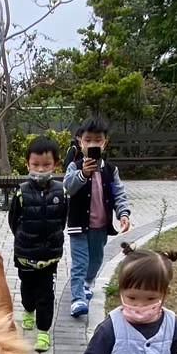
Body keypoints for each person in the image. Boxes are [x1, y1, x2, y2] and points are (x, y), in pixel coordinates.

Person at [63, 115, 132, 317]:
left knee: (96, 259)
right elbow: (68, 187)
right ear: (80, 142)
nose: (93, 144)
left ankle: (87, 283)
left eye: (98, 140)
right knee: (80, 263)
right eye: (88, 140)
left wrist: (123, 213)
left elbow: (119, 193)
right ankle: (77, 300)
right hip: (78, 226)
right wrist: (83, 174)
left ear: (105, 143)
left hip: (100, 226)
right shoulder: (75, 167)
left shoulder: (111, 170)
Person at [8, 136, 68, 352]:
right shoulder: (21, 191)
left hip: (50, 256)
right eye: (35, 165)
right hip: (25, 254)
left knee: (46, 295)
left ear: (55, 165)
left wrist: (51, 239)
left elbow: (62, 220)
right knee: (27, 290)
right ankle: (27, 310)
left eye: (46, 165)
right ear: (27, 164)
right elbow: (13, 221)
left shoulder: (61, 191)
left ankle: (43, 332)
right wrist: (25, 238)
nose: (41, 169)